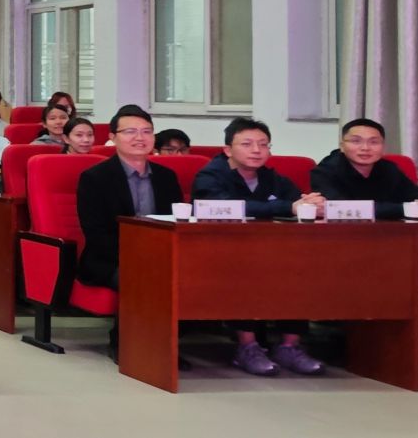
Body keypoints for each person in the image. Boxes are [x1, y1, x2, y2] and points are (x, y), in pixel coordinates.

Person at [189, 117, 328, 377]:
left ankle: (289, 346)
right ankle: (247, 347)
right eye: (247, 144)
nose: (256, 150)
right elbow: (224, 207)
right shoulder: (210, 176)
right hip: (217, 254)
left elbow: (297, 202)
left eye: (263, 145)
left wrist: (311, 203)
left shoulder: (273, 178)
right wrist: (289, 207)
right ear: (228, 150)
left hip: (269, 252)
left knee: (299, 268)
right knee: (247, 269)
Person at [75, 105, 181, 294]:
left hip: (163, 256)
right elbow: (96, 234)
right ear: (113, 137)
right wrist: (141, 257)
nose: (140, 138)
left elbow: (177, 222)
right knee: (147, 278)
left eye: (147, 131)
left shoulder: (167, 177)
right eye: (130, 132)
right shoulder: (95, 178)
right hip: (110, 261)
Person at [311, 119, 418, 220]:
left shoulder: (389, 168)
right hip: (343, 233)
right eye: (356, 141)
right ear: (342, 146)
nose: (365, 148)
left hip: (390, 233)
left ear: (383, 147)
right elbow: (342, 209)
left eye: (374, 142)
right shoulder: (324, 171)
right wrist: (407, 209)